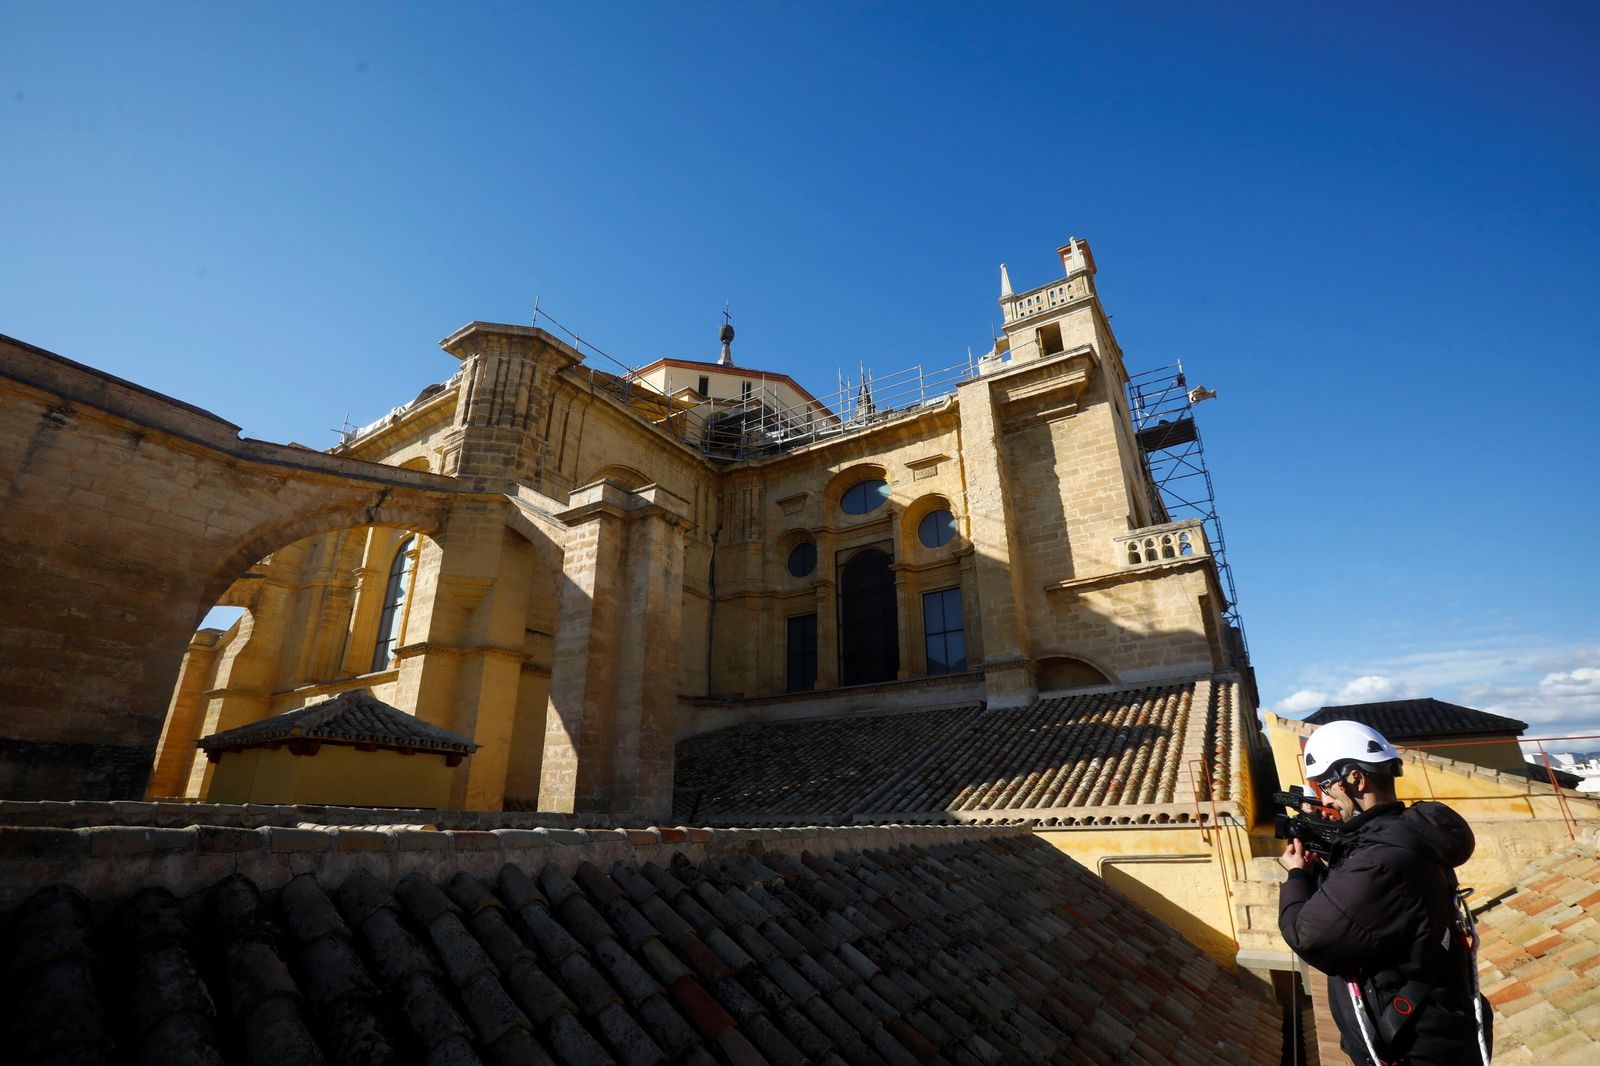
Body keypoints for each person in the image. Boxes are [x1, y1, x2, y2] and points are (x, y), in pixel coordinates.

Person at [1278, 720, 1492, 1066]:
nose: (1325, 797)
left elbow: (1308, 936)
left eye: (1326, 786)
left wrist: (1297, 876)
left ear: (1355, 779)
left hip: (1415, 1046)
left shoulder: (1379, 860)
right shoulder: (1405, 833)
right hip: (1437, 1029)